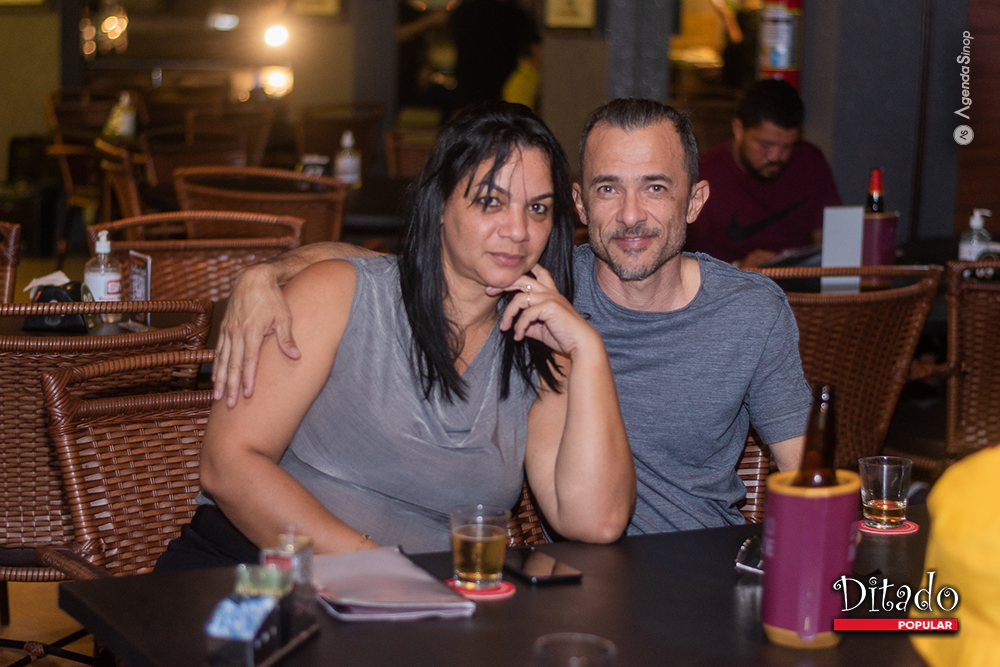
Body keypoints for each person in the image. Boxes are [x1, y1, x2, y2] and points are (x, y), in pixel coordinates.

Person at [213, 98, 811, 535]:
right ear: (581, 204)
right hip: (553, 582)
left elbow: (811, 474)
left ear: (695, 200)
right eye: (608, 189)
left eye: (655, 188)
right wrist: (267, 272)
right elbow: (409, 269)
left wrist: (840, 589)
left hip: (699, 564)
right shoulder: (541, 283)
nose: (631, 215)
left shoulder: (742, 311)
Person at [157, 102, 634, 569]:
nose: (518, 230)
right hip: (252, 571)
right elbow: (228, 465)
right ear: (441, 203)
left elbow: (596, 522)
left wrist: (588, 352)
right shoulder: (338, 294)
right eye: (491, 201)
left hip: (422, 602)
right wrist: (384, 573)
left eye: (538, 208)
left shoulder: (538, 351)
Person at [686, 78, 842, 267]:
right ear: (738, 129)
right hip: (727, 282)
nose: (776, 157)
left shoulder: (810, 161)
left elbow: (832, 243)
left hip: (800, 282)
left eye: (787, 146)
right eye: (765, 145)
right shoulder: (704, 174)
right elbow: (685, 263)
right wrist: (738, 267)